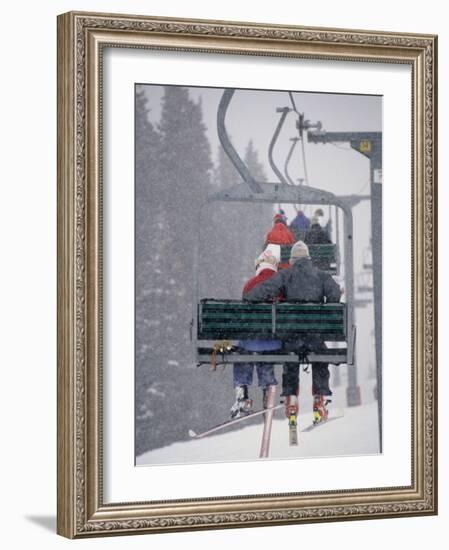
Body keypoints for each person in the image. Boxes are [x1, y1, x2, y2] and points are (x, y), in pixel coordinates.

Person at [243, 240, 341, 424]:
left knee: (290, 359)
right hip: (315, 336)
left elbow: (266, 290)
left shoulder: (285, 275)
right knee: (320, 360)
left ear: (293, 260)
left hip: (291, 335)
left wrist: (250, 297)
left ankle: (290, 398)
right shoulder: (321, 276)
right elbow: (335, 293)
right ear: (308, 258)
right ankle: (320, 397)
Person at [230, 245, 283, 419]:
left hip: (251, 340)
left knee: (244, 352)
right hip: (274, 342)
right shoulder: (282, 283)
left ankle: (242, 392)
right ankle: (268, 390)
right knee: (266, 353)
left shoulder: (250, 285)